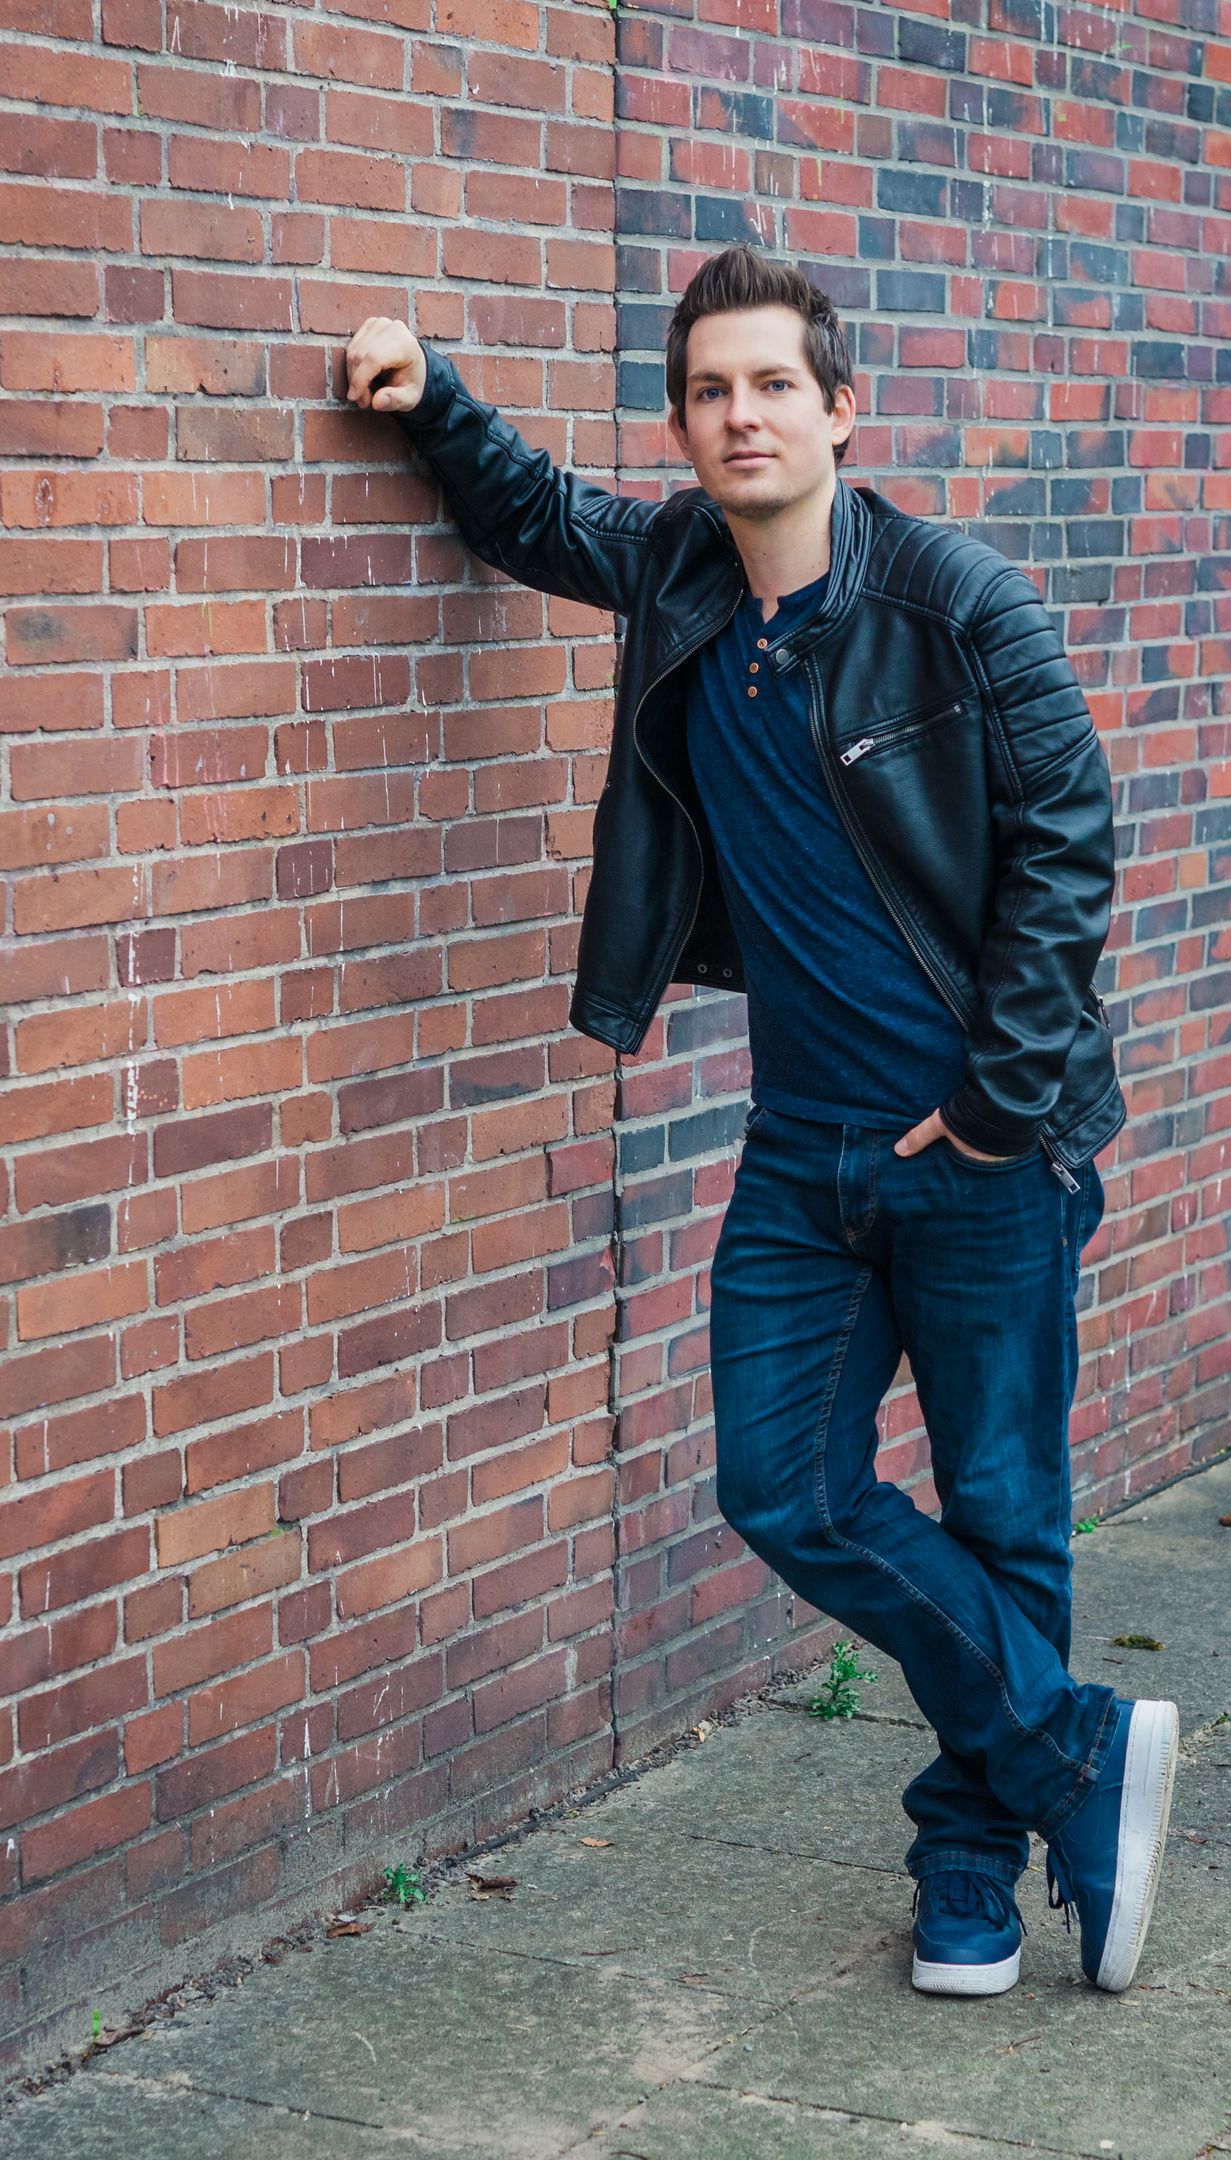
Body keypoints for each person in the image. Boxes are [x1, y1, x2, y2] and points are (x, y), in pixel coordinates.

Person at [343, 243, 1178, 1997]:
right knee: (780, 1486)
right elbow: (537, 515)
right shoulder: (678, 572)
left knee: (1002, 1510)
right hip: (805, 1150)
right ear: (682, 424)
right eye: (710, 391)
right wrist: (433, 399)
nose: (742, 416)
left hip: (982, 1150)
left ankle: (972, 1865)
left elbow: (1069, 852)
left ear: (842, 408)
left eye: (774, 385)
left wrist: (994, 1106)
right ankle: (1077, 1754)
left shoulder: (961, 606)